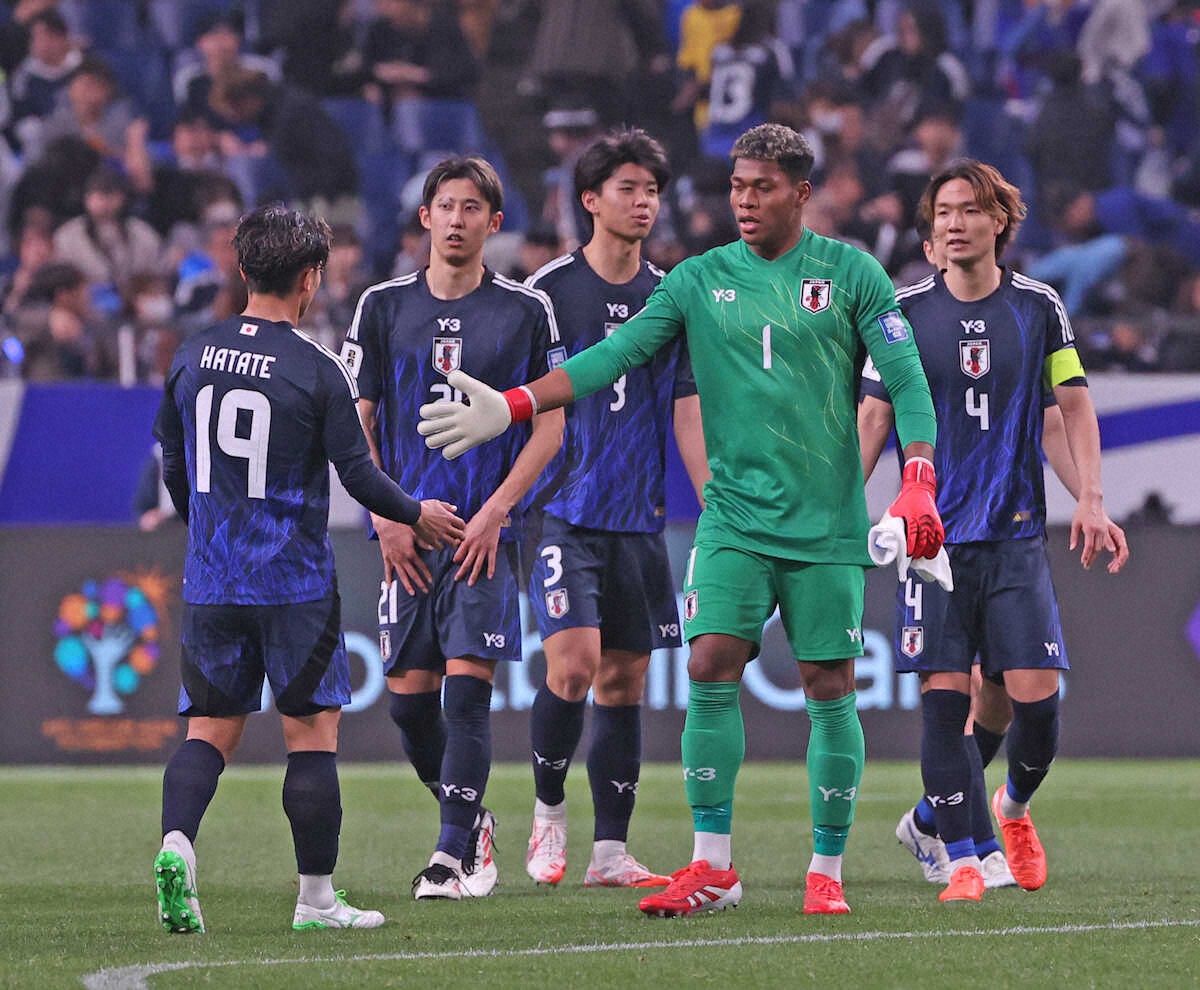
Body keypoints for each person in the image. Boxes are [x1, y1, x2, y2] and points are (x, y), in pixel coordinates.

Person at [417, 123, 945, 917]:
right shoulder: (698, 279)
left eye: (761, 187)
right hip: (731, 521)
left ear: (801, 193)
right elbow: (615, 355)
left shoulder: (853, 274)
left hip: (825, 521)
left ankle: (825, 868)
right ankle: (713, 865)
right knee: (707, 669)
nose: (743, 200)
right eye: (736, 186)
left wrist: (918, 476)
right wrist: (517, 403)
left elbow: (906, 378)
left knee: (828, 685)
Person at [151, 205, 465, 934]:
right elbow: (358, 474)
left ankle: (176, 846)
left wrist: (202, 528)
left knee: (207, 733)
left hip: (212, 579)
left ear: (240, 268)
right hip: (293, 585)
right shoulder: (317, 368)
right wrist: (419, 513)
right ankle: (317, 900)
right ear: (310, 277)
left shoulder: (192, 354)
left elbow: (171, 460)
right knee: (312, 735)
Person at [858, 159, 1127, 903]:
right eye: (943, 211)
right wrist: (846, 509)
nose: (954, 223)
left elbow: (1068, 407)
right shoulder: (904, 311)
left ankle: (999, 811)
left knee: (1031, 708)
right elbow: (874, 417)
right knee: (947, 701)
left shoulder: (1038, 308)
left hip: (1013, 536)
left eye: (970, 210)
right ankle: (970, 860)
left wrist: (1094, 501)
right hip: (931, 543)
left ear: (999, 222)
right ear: (931, 225)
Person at [341, 156, 565, 901]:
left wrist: (499, 511)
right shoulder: (380, 306)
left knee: (467, 695)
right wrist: (388, 513)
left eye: (475, 208)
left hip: (481, 536)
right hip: (407, 534)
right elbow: (356, 421)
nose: (459, 219)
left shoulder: (527, 311)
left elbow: (551, 422)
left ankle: (449, 856)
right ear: (425, 217)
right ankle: (472, 819)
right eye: (448, 205)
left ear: (493, 224)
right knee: (408, 703)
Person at [521, 128, 710, 889]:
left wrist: (712, 501)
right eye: (627, 188)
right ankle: (547, 816)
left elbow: (687, 407)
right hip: (566, 512)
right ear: (591, 199)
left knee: (624, 684)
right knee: (572, 668)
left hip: (639, 517)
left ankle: (610, 853)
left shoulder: (671, 297)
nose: (643, 203)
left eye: (652, 190)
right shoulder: (548, 293)